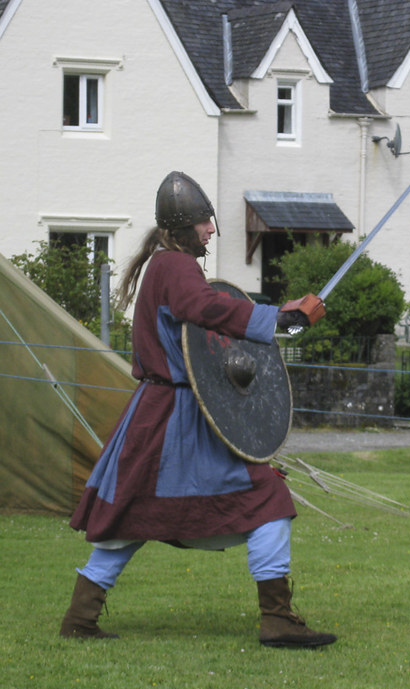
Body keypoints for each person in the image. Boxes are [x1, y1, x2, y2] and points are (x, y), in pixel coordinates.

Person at [59, 171, 336, 649]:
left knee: (132, 514)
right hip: (173, 419)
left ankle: (80, 619)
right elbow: (207, 310)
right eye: (206, 222)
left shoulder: (165, 265)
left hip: (164, 413)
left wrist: (280, 317)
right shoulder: (176, 267)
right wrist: (280, 320)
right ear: (185, 226)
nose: (212, 230)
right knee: (265, 499)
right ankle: (277, 619)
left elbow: (208, 321)